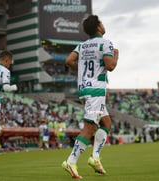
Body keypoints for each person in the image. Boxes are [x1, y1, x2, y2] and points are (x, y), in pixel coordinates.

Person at [61, 14, 119, 179]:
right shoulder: (106, 43)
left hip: (85, 89)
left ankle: (95, 158)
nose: (103, 23)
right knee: (89, 128)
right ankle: (71, 161)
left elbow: (68, 60)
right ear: (99, 27)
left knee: (106, 123)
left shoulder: (82, 46)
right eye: (101, 22)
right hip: (95, 91)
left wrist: (82, 70)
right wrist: (116, 56)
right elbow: (110, 66)